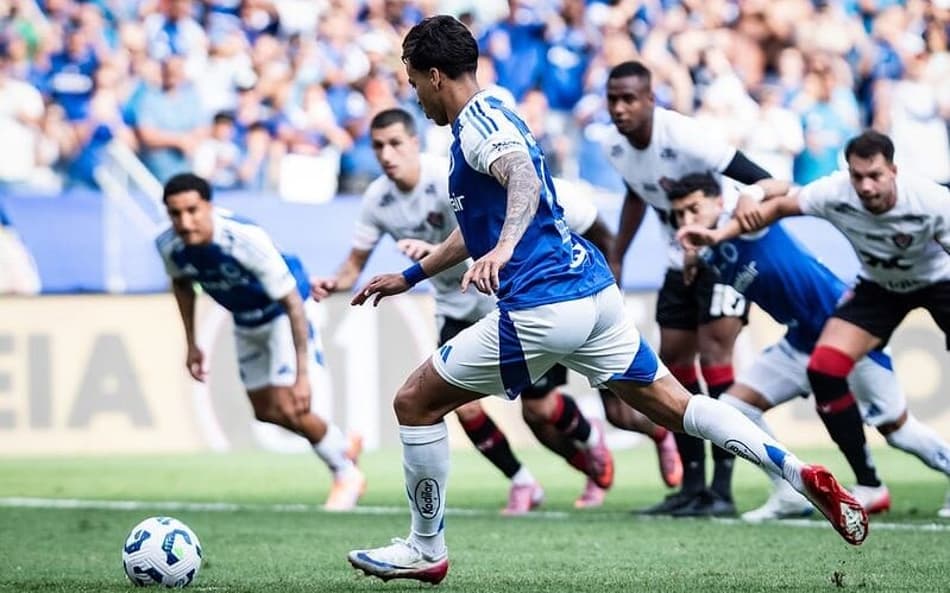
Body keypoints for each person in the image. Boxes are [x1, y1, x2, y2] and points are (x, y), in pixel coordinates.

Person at [345, 15, 867, 586]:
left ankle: (425, 548)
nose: (415, 95)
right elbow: (479, 223)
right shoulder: (496, 108)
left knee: (415, 403)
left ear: (437, 75)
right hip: (592, 295)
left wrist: (506, 249)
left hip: (542, 306)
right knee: (680, 405)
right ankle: (794, 471)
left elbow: (518, 174)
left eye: (415, 81)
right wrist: (413, 275)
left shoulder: (475, 126)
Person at [311, 107, 637, 512]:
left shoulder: (447, 176)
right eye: (378, 146)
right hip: (453, 305)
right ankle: (523, 483)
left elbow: (480, 231)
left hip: (502, 296)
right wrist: (334, 282)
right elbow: (352, 266)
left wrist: (428, 259)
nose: (387, 154)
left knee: (540, 409)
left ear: (414, 142)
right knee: (460, 405)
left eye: (395, 143)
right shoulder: (377, 199)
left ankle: (592, 444)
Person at [677, 130, 950, 519]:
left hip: (935, 283)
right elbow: (788, 202)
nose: (865, 186)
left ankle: (885, 480)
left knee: (899, 431)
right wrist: (713, 239)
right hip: (860, 302)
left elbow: (777, 188)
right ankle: (800, 490)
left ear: (894, 170)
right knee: (738, 408)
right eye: (857, 177)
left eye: (874, 175)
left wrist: (752, 192)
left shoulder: (932, 200)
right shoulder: (835, 192)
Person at [600, 60, 778, 516]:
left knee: (717, 365)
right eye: (612, 99)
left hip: (721, 259)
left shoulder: (685, 136)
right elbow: (637, 194)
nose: (619, 109)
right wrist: (617, 253)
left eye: (629, 99)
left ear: (650, 100)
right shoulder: (613, 146)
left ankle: (722, 490)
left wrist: (727, 231)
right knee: (674, 368)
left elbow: (761, 181)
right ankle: (691, 487)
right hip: (676, 261)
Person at [155, 172, 365, 511]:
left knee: (292, 404)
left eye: (192, 210)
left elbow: (292, 303)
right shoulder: (169, 245)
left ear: (208, 206)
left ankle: (346, 473)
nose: (185, 221)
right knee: (265, 411)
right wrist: (192, 343)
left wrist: (302, 375)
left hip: (284, 312)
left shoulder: (244, 240)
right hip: (245, 318)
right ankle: (342, 444)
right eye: (175, 214)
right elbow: (181, 285)